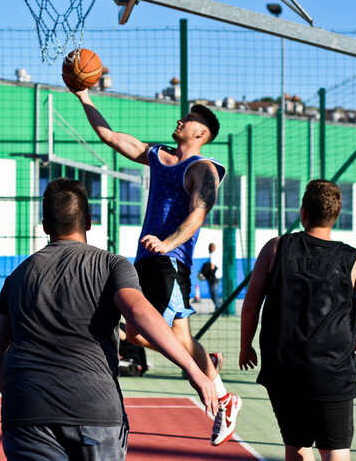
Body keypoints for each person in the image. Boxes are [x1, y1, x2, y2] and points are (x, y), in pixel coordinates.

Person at [0, 178, 216, 460]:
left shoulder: (18, 275)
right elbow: (139, 311)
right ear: (89, 222)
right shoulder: (111, 265)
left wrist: (18, 395)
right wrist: (194, 370)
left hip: (26, 414)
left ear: (45, 226)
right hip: (93, 410)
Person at [71, 88, 241, 445]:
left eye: (189, 119)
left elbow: (198, 213)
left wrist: (168, 243)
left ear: (201, 133)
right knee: (171, 338)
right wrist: (84, 96)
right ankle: (222, 393)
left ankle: (218, 390)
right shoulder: (158, 157)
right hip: (149, 259)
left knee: (143, 335)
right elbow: (110, 137)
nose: (181, 120)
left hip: (169, 262)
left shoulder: (203, 169)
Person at [239, 180, 356, 461]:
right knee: (335, 450)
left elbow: (251, 306)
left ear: (303, 212)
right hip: (332, 372)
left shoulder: (275, 248)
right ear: (336, 216)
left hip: (283, 369)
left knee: (296, 444)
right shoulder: (352, 259)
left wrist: (246, 346)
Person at [198, 242, 222, 310]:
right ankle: (218, 306)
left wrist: (206, 272)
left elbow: (212, 266)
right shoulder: (218, 255)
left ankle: (218, 307)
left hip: (214, 277)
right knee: (215, 292)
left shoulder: (212, 255)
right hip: (219, 275)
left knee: (213, 292)